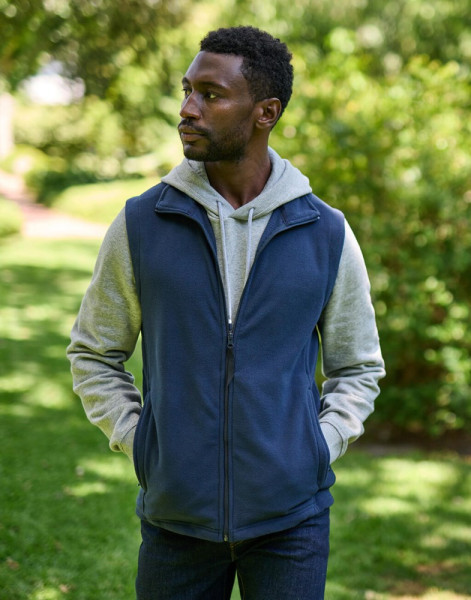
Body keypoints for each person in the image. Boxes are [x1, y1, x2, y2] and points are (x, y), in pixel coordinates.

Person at [67, 25, 385, 600]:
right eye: (187, 90)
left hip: (291, 521)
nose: (187, 109)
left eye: (211, 95)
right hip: (176, 522)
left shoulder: (325, 233)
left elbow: (357, 366)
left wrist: (320, 443)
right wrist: (142, 442)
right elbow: (94, 352)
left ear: (266, 112)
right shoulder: (141, 224)